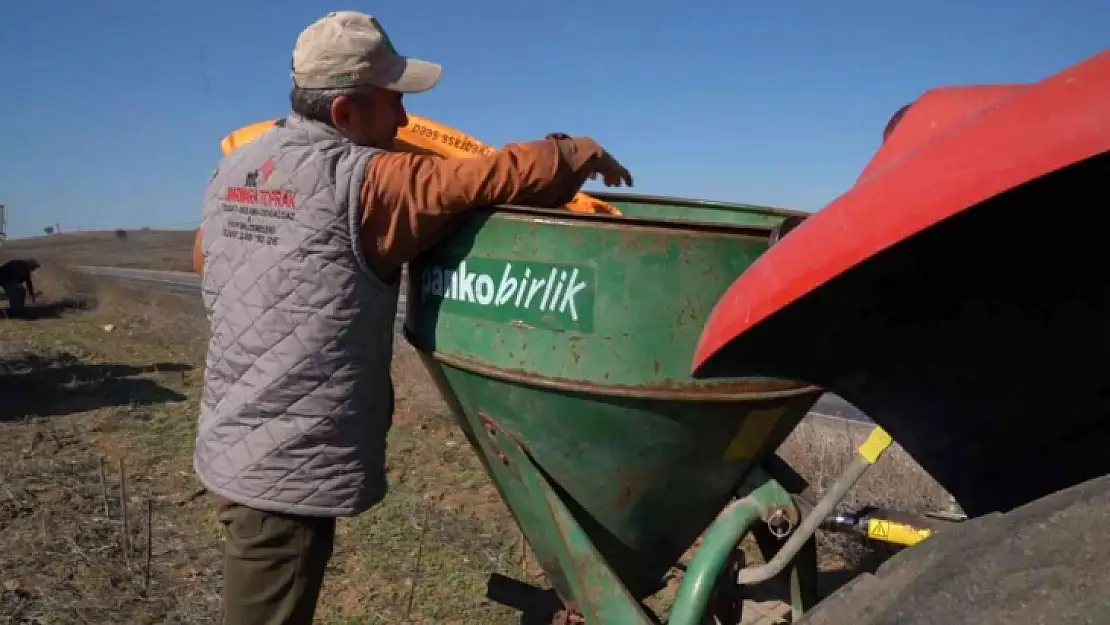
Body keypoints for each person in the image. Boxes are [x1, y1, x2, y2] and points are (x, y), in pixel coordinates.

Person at [191, 10, 632, 625]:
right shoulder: (368, 181)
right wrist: (574, 152)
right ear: (345, 114)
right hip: (284, 471)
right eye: (391, 102)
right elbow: (487, 176)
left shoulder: (234, 169)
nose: (403, 120)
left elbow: (208, 263)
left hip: (232, 442)